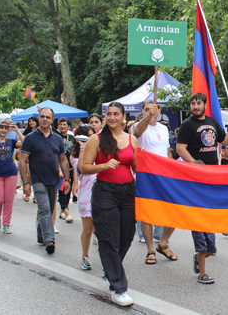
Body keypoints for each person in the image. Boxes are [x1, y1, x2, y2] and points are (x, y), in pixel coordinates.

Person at [176, 93, 228, 285]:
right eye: (193, 103)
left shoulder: (212, 122)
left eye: (199, 103)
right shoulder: (188, 125)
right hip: (195, 179)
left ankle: (204, 253)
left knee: (210, 218)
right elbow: (180, 148)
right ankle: (202, 269)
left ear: (205, 105)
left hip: (213, 179)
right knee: (199, 221)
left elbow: (225, 141)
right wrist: (195, 163)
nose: (195, 106)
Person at [82, 102, 139, 306]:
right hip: (105, 192)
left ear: (124, 117)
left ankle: (111, 268)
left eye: (116, 114)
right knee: (108, 239)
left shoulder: (132, 139)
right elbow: (83, 167)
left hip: (128, 193)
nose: (112, 117)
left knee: (127, 236)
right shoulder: (96, 140)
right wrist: (103, 165)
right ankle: (118, 288)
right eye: (109, 114)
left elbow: (135, 166)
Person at [19, 107, 70, 254]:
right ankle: (49, 240)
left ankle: (41, 235)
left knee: (50, 209)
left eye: (48, 117)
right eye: (42, 117)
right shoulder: (30, 138)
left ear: (52, 120)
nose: (45, 119)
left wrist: (67, 179)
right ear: (38, 118)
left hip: (53, 179)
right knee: (45, 208)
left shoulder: (57, 138)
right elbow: (23, 161)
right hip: (37, 180)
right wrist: (26, 183)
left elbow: (63, 160)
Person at [133, 100, 177, 265]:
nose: (151, 112)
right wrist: (147, 116)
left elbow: (167, 152)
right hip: (146, 176)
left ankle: (163, 243)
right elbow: (136, 133)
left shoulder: (164, 128)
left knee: (173, 211)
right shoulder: (139, 126)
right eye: (147, 110)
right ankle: (150, 249)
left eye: (154, 109)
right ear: (143, 111)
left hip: (164, 176)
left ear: (159, 111)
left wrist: (172, 170)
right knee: (147, 215)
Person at [70, 124, 95, 270]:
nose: (91, 138)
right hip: (86, 195)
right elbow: (80, 168)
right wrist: (83, 148)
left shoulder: (99, 150)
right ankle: (85, 256)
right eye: (88, 135)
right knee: (87, 230)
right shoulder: (75, 156)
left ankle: (107, 262)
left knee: (103, 231)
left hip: (102, 193)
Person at [57, 117, 74, 221]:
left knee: (68, 190)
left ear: (68, 127)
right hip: (60, 167)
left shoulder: (72, 138)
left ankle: (63, 210)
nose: (62, 126)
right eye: (60, 124)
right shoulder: (55, 137)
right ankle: (66, 212)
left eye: (64, 124)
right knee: (62, 189)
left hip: (70, 168)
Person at [22, 116, 39, 203]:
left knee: (37, 176)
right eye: (30, 121)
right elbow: (23, 142)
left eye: (33, 121)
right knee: (30, 176)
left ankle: (36, 195)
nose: (31, 123)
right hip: (28, 158)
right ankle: (28, 192)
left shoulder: (40, 132)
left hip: (38, 158)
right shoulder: (27, 133)